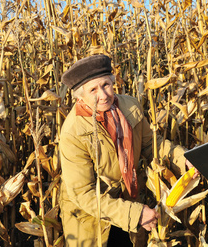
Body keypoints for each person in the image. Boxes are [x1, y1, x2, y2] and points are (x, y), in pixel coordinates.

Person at [58, 54, 194, 246]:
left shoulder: (130, 106)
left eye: (106, 85)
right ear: (80, 95)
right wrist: (135, 214)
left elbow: (150, 144)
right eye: (93, 90)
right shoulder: (73, 132)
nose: (103, 95)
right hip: (91, 220)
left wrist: (184, 159)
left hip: (130, 201)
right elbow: (83, 194)